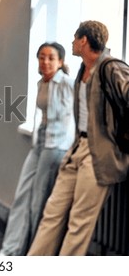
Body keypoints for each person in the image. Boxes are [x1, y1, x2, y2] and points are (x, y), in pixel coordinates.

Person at [28, 20, 129, 255]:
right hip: (77, 149)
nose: (72, 43)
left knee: (79, 223)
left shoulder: (111, 68)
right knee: (52, 213)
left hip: (99, 154)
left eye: (75, 38)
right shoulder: (81, 72)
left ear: (84, 40)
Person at [0, 42, 75, 256]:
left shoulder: (70, 84)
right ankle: (11, 250)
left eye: (51, 57)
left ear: (61, 61)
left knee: (38, 203)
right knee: (22, 196)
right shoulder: (42, 82)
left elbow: (81, 117)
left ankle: (34, 252)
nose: (46, 61)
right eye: (42, 57)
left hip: (56, 149)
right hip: (39, 145)